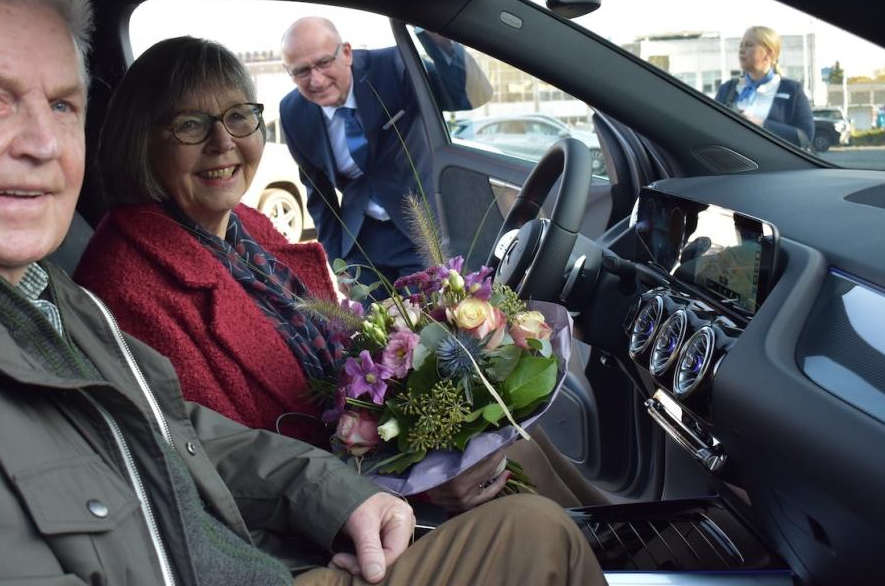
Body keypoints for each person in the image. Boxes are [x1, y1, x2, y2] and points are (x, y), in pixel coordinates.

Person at [0, 0, 605, 585]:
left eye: (62, 105)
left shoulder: (52, 295)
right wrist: (409, 475)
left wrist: (349, 485)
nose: (40, 144)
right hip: (277, 555)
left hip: (282, 542)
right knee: (535, 529)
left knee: (523, 467)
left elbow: (178, 433)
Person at [75, 36, 600, 514]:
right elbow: (216, 470)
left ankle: (620, 545)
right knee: (532, 516)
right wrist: (409, 484)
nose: (222, 142)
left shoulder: (244, 227)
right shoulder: (127, 285)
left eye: (238, 116)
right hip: (317, 521)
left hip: (349, 461)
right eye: (189, 124)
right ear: (141, 140)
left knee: (514, 434)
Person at [279, 17, 491, 291]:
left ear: (346, 52)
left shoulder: (393, 66)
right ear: (289, 72)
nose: (316, 80)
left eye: (323, 63)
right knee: (376, 331)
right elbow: (319, 197)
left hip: (421, 232)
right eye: (301, 71)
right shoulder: (292, 112)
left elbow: (465, 96)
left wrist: (437, 37)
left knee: (430, 326)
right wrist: (339, 263)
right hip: (361, 245)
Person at [715, 25, 814, 148]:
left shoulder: (792, 90)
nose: (741, 50)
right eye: (741, 45)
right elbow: (712, 128)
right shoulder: (727, 89)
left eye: (749, 45)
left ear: (769, 53)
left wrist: (761, 124)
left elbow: (805, 136)